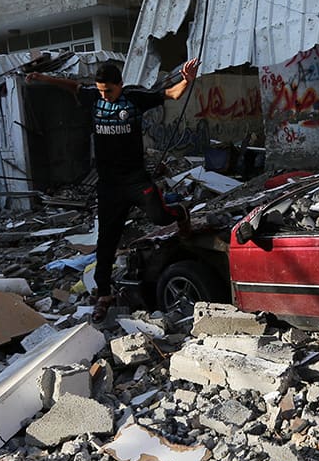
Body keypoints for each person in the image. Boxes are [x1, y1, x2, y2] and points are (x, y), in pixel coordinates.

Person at [27, 59, 200, 322]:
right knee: (106, 241)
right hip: (109, 185)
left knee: (159, 217)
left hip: (135, 179)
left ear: (120, 85)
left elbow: (172, 93)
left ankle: (180, 214)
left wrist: (187, 79)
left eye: (109, 91)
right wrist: (44, 78)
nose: (104, 96)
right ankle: (104, 293)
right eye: (100, 91)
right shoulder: (94, 96)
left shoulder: (135, 96)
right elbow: (73, 87)